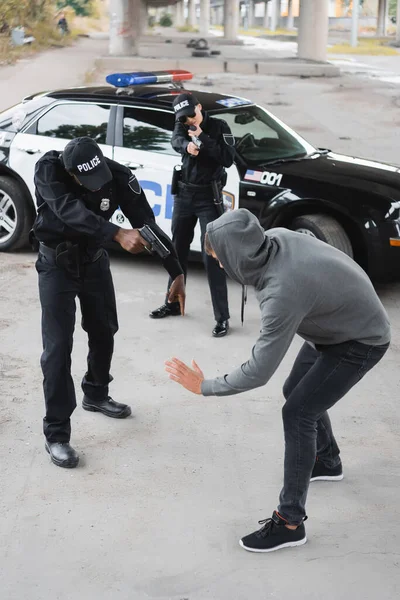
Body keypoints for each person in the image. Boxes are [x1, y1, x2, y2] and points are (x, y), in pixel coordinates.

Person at [165, 208, 390, 553]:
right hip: (337, 323)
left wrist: (204, 386)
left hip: (361, 339)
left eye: (221, 260)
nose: (222, 267)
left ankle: (290, 522)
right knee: (295, 392)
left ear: (237, 257)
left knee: (297, 412)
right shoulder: (275, 240)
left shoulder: (282, 291)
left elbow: (258, 371)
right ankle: (327, 461)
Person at [33, 136, 185, 469]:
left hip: (93, 262)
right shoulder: (48, 170)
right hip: (56, 266)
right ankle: (57, 434)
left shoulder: (118, 176)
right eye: (85, 179)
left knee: (104, 329)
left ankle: (96, 393)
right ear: (71, 172)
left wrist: (175, 270)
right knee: (58, 348)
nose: (95, 184)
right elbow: (67, 211)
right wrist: (117, 233)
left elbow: (146, 222)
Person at [149, 92, 235, 338]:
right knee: (176, 250)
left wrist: (203, 139)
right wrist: (186, 145)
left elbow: (228, 159)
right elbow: (175, 140)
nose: (188, 121)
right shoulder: (181, 122)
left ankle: (222, 317)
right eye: (183, 119)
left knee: (211, 255)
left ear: (199, 108)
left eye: (191, 115)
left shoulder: (219, 126)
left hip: (209, 197)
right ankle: (173, 303)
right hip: (185, 195)